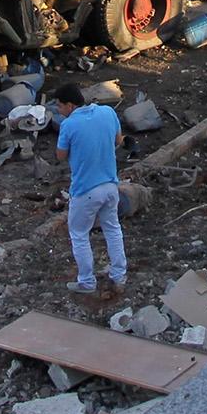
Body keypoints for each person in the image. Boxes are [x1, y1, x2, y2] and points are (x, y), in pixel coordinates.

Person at [52, 84, 127, 302]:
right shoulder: (107, 112)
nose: (58, 110)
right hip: (111, 185)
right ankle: (119, 275)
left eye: (59, 106)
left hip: (86, 190)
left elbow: (60, 156)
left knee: (79, 234)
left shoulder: (69, 124)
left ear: (70, 105)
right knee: (112, 229)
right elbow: (118, 141)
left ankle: (86, 281)